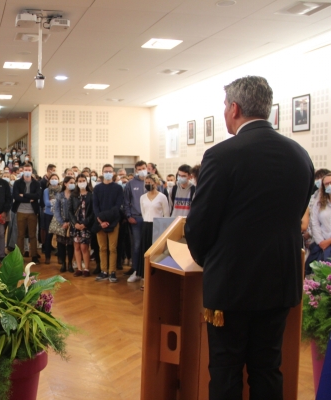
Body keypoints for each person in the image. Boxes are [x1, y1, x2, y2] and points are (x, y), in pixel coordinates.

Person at [185, 76, 314, 399]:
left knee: (226, 370)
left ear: (234, 108)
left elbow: (199, 227)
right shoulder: (300, 155)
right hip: (280, 281)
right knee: (268, 368)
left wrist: (208, 260)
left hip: (231, 285)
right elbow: (297, 215)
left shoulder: (221, 156)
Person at [93, 164, 124, 283]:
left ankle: (112, 271)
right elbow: (95, 206)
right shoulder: (97, 188)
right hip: (100, 222)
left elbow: (117, 207)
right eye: (106, 171)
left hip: (113, 221)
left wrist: (108, 220)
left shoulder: (118, 188)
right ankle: (103, 271)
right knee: (102, 248)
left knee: (112, 248)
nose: (108, 173)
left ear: (113, 173)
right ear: (102, 172)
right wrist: (101, 221)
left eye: (110, 171)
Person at [138, 174, 169, 289]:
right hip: (146, 226)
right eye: (146, 182)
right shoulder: (142, 197)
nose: (147, 184)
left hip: (158, 227)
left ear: (155, 183)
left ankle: (156, 279)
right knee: (145, 252)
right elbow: (143, 213)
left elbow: (166, 214)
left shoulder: (162, 197)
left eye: (150, 182)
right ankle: (145, 279)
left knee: (156, 254)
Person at [12, 163, 41, 263]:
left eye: (29, 170)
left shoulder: (36, 183)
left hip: (32, 212)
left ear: (32, 171)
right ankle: (19, 256)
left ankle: (34, 255)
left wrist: (24, 195)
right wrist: (29, 199)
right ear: (23, 170)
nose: (27, 171)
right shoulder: (17, 183)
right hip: (20, 211)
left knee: (33, 235)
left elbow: (37, 196)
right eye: (26, 169)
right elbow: (16, 196)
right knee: (20, 235)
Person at [69, 175, 93, 277]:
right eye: (80, 181)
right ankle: (79, 268)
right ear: (77, 183)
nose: (82, 182)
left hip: (86, 225)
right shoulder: (73, 196)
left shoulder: (91, 195)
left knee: (84, 247)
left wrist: (85, 223)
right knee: (77, 247)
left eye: (84, 180)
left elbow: (93, 212)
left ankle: (86, 268)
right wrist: (75, 223)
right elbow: (70, 211)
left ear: (87, 182)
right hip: (76, 225)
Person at [54, 176, 75, 272]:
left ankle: (70, 263)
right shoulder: (59, 195)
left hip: (72, 223)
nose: (72, 184)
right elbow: (56, 209)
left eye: (73, 182)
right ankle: (63, 264)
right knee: (61, 244)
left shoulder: (75, 195)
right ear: (65, 183)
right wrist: (62, 222)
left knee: (70, 244)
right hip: (61, 223)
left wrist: (71, 222)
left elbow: (75, 210)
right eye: (70, 182)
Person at [310, 173, 331, 261]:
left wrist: (329, 241)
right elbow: (314, 223)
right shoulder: (319, 204)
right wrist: (321, 242)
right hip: (322, 244)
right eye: (326, 184)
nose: (329, 185)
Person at [42, 173, 60, 264]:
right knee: (48, 236)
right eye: (52, 178)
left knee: (59, 237)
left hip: (58, 215)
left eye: (55, 178)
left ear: (58, 180)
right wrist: (56, 202)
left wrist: (52, 201)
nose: (54, 180)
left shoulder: (61, 190)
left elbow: (62, 202)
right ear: (49, 181)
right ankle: (47, 256)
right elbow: (46, 203)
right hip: (48, 214)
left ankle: (60, 257)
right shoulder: (46, 190)